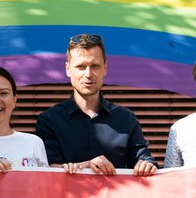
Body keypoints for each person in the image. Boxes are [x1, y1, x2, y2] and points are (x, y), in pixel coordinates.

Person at [35, 33, 158, 176]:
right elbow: (48, 171)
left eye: (95, 66)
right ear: (68, 69)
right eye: (81, 66)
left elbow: (144, 159)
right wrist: (87, 165)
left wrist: (147, 165)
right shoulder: (49, 120)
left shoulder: (126, 119)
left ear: (105, 68)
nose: (88, 74)